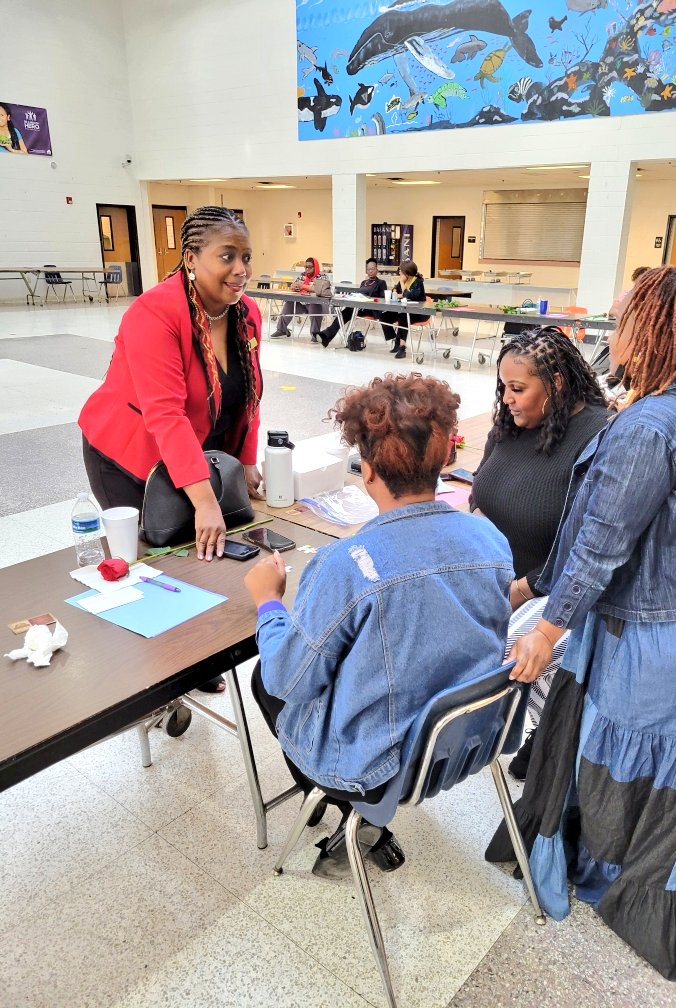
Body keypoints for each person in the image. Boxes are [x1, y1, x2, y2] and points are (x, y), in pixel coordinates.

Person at [488, 266, 676, 988]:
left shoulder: (651, 425)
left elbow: (603, 542)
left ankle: (635, 895)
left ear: (658, 327)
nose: (615, 332)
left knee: (635, 770)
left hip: (670, 642)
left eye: (625, 317)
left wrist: (548, 630)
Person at [245, 373, 516, 877]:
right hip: (469, 740)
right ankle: (357, 817)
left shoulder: (347, 564)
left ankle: (345, 808)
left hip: (379, 765)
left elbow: (289, 678)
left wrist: (268, 603)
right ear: (444, 459)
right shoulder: (488, 538)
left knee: (267, 674)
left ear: (366, 472)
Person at [79, 205, 264, 693]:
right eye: (227, 256)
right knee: (156, 566)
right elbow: (164, 413)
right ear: (190, 258)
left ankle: (194, 657)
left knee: (203, 560)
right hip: (128, 455)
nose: (241, 269)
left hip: (190, 454)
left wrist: (244, 464)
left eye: (246, 256)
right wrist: (205, 500)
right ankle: (160, 679)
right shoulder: (154, 312)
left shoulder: (247, 314)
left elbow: (249, 393)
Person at [469, 327, 608, 778]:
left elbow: (586, 545)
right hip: (494, 581)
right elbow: (480, 486)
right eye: (503, 387)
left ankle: (548, 738)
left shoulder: (599, 438)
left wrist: (519, 590)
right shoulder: (510, 424)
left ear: (558, 384)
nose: (507, 399)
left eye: (518, 389)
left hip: (546, 598)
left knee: (502, 659)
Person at [319, 257, 387, 347]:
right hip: (358, 307)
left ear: (377, 270)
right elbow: (359, 294)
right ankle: (326, 337)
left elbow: (382, 299)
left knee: (347, 311)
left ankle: (326, 335)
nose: (370, 271)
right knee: (345, 312)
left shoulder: (381, 283)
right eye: (368, 269)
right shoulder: (364, 282)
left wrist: (368, 299)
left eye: (372, 269)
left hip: (371, 308)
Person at [270, 257, 332, 342]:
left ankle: (315, 334)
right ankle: (282, 329)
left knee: (314, 305)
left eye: (309, 267)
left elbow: (318, 289)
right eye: (305, 267)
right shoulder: (303, 275)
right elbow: (295, 284)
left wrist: (304, 286)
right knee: (290, 303)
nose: (307, 269)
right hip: (304, 304)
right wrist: (294, 287)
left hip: (319, 305)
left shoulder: (322, 276)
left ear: (315, 267)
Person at [379, 260, 426, 359]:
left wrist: (401, 283)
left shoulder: (418, 282)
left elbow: (409, 295)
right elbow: (394, 292)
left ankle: (401, 347)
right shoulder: (403, 280)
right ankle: (396, 339)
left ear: (407, 272)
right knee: (384, 315)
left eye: (401, 271)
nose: (399, 273)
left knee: (403, 316)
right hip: (404, 310)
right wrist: (396, 290)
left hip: (418, 313)